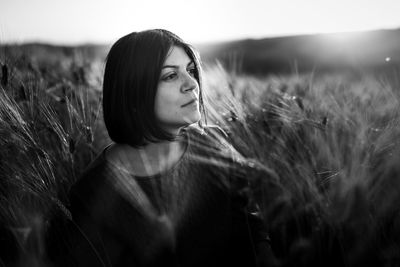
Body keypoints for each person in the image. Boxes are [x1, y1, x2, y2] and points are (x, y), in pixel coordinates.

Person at [62, 29, 279, 267]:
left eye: (191, 70)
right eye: (170, 76)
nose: (192, 84)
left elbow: (250, 225)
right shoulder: (91, 191)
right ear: (134, 89)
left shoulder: (214, 142)